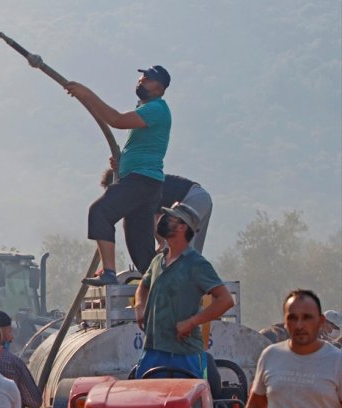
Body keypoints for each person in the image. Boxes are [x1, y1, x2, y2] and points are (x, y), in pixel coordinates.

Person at [65, 65, 173, 285]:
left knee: (100, 212)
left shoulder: (157, 109)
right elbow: (139, 144)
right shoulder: (145, 108)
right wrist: (122, 162)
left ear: (160, 88)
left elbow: (116, 120)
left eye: (148, 79)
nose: (141, 80)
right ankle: (166, 286)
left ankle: (109, 272)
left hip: (142, 181)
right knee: (141, 252)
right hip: (142, 182)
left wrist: (87, 94)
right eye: (142, 76)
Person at [133, 202, 234, 379]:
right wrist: (140, 307)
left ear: (182, 226)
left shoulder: (196, 264)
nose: (162, 220)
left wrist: (192, 322)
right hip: (152, 350)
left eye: (169, 218)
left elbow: (225, 300)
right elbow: (143, 285)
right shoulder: (158, 261)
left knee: (185, 405)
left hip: (184, 354)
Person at [239, 290, 342, 408]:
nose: (300, 325)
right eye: (293, 318)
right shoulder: (270, 356)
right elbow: (256, 407)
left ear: (321, 321)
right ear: (285, 322)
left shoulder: (337, 361)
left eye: (307, 318)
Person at [101, 170, 213, 254]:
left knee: (182, 252)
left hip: (191, 199)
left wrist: (162, 243)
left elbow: (154, 219)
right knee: (192, 253)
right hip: (201, 197)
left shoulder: (139, 187)